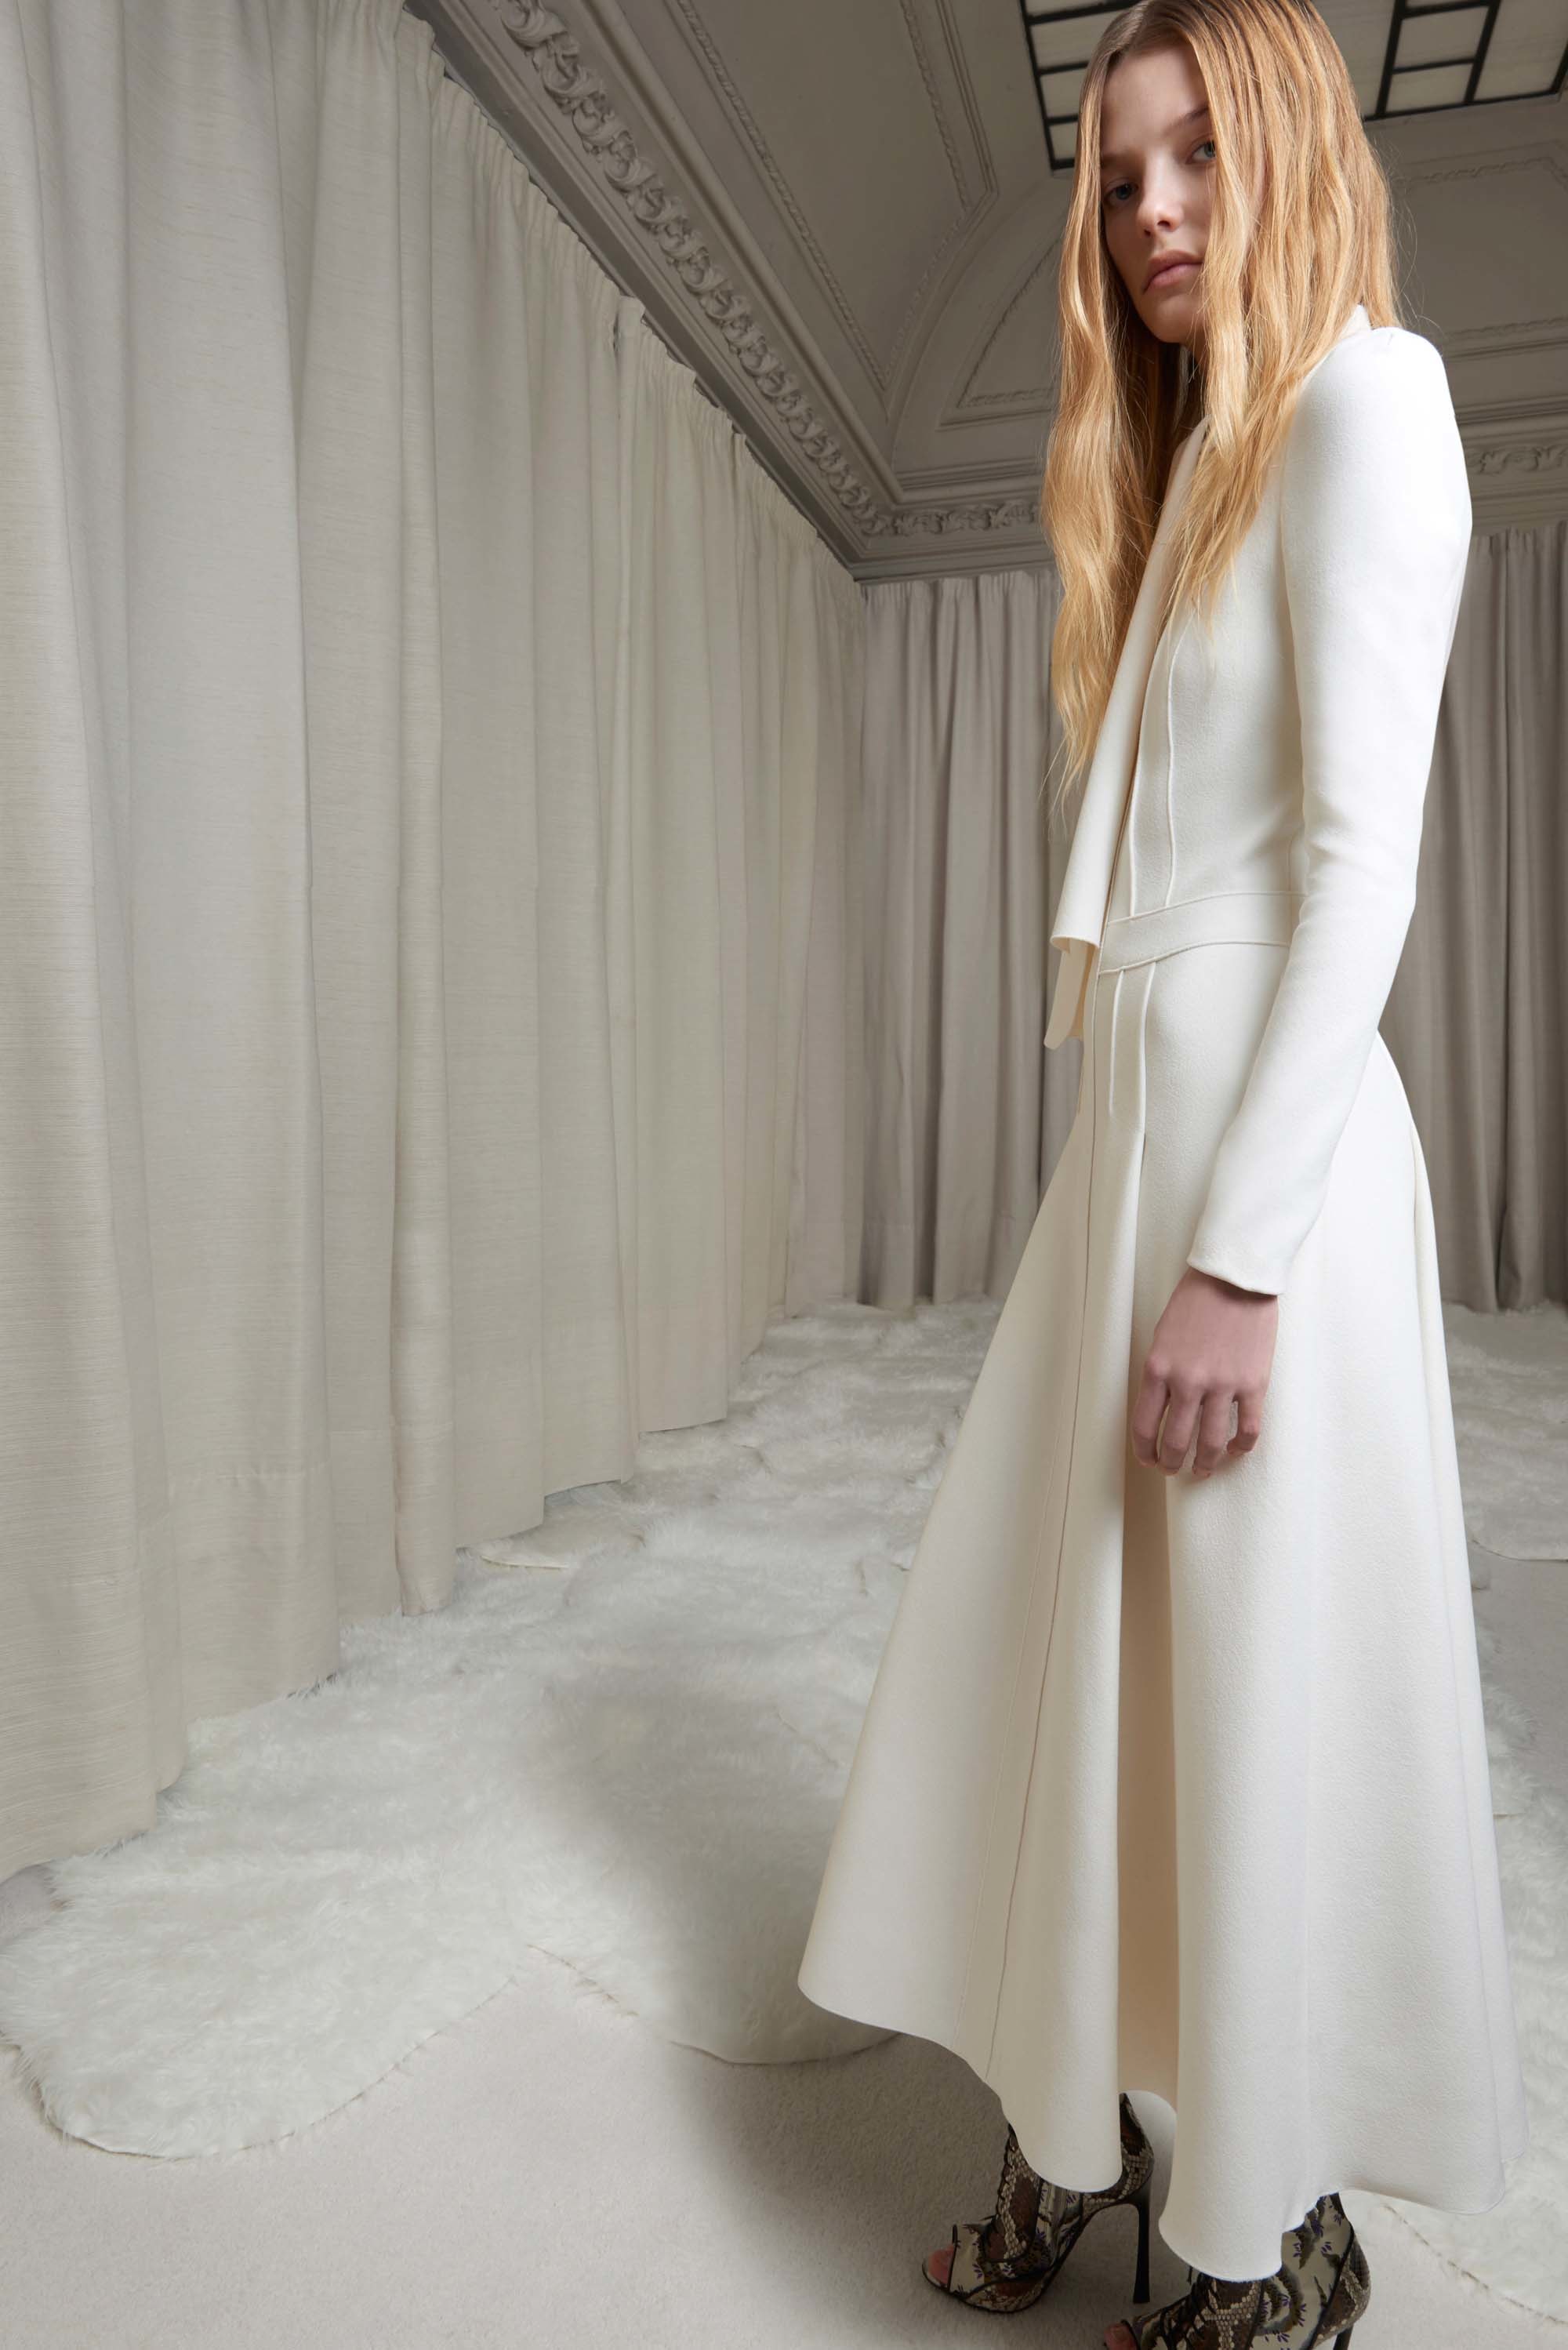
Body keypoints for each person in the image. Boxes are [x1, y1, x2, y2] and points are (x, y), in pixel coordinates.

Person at [795, 2, 1530, 2345]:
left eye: (1197, 152)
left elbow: (1362, 877)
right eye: (1119, 176)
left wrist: (1241, 1260)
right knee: (1072, 1648)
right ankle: (1075, 2122)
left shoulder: (1367, 402)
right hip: (1142, 1138)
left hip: (1250, 1177)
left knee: (1240, 1685)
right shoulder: (1204, 454)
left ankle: (1274, 2228)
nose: (1153, 212)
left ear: (1293, 143)